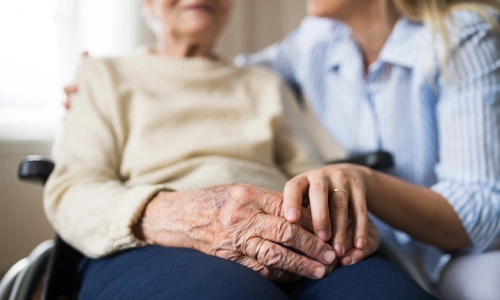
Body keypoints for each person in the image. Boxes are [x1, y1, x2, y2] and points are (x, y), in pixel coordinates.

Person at [47, 0, 435, 299]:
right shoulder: (102, 75)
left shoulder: (265, 83)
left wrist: (325, 217)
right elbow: (71, 191)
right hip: (159, 242)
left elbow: (306, 172)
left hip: (289, 239)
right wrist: (180, 216)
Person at [233, 0, 500, 299]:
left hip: (472, 254)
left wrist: (363, 181)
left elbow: (484, 212)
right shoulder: (318, 39)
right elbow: (232, 76)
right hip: (386, 250)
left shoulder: (461, 35)